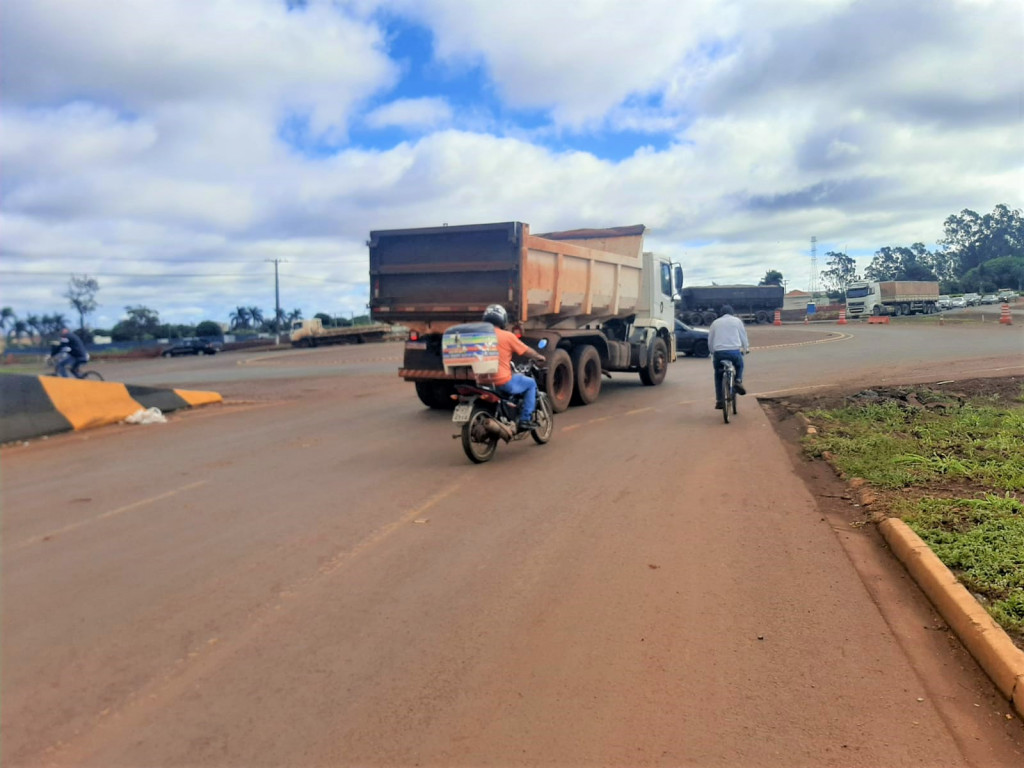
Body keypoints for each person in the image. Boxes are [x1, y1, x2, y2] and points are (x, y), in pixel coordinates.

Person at [482, 304, 546, 429]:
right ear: (502, 319)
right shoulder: (507, 336)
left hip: (482, 381)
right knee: (531, 383)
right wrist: (538, 356)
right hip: (502, 381)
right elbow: (526, 351)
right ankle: (525, 419)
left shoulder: (478, 336)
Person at [708, 305, 749, 409]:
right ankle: (738, 381)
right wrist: (746, 348)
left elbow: (710, 340)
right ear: (732, 312)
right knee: (740, 365)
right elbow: (743, 335)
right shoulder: (737, 321)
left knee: (718, 375)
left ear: (721, 313)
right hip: (734, 352)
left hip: (719, 353)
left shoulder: (715, 323)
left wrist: (712, 352)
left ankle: (719, 401)